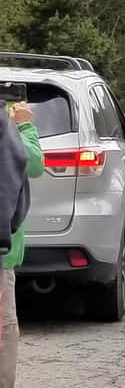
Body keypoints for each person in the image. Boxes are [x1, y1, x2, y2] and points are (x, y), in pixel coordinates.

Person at [0, 102, 42, 388]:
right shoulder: (6, 128)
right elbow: (34, 162)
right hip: (2, 253)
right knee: (3, 332)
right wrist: (24, 124)